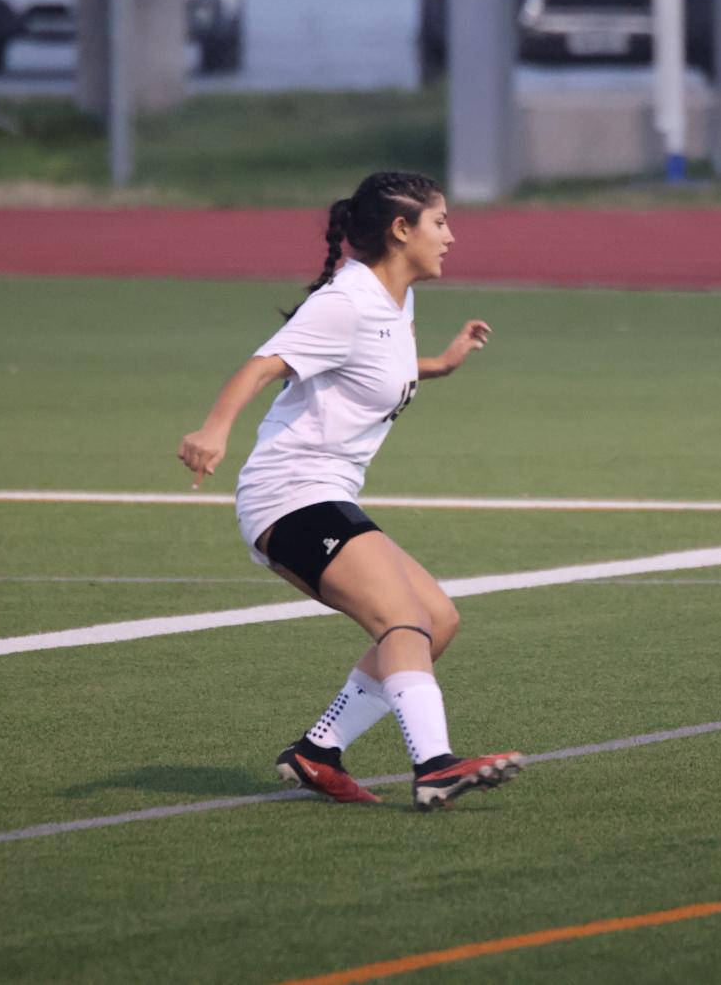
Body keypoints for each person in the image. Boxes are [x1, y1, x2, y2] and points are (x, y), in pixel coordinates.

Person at [178, 171, 523, 811]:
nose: (451, 235)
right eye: (439, 222)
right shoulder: (346, 300)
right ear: (401, 230)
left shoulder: (396, 299)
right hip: (289, 495)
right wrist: (214, 427)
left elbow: (373, 364)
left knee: (437, 620)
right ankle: (436, 765)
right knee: (400, 619)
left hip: (325, 494)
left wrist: (442, 364)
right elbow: (263, 364)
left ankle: (318, 752)